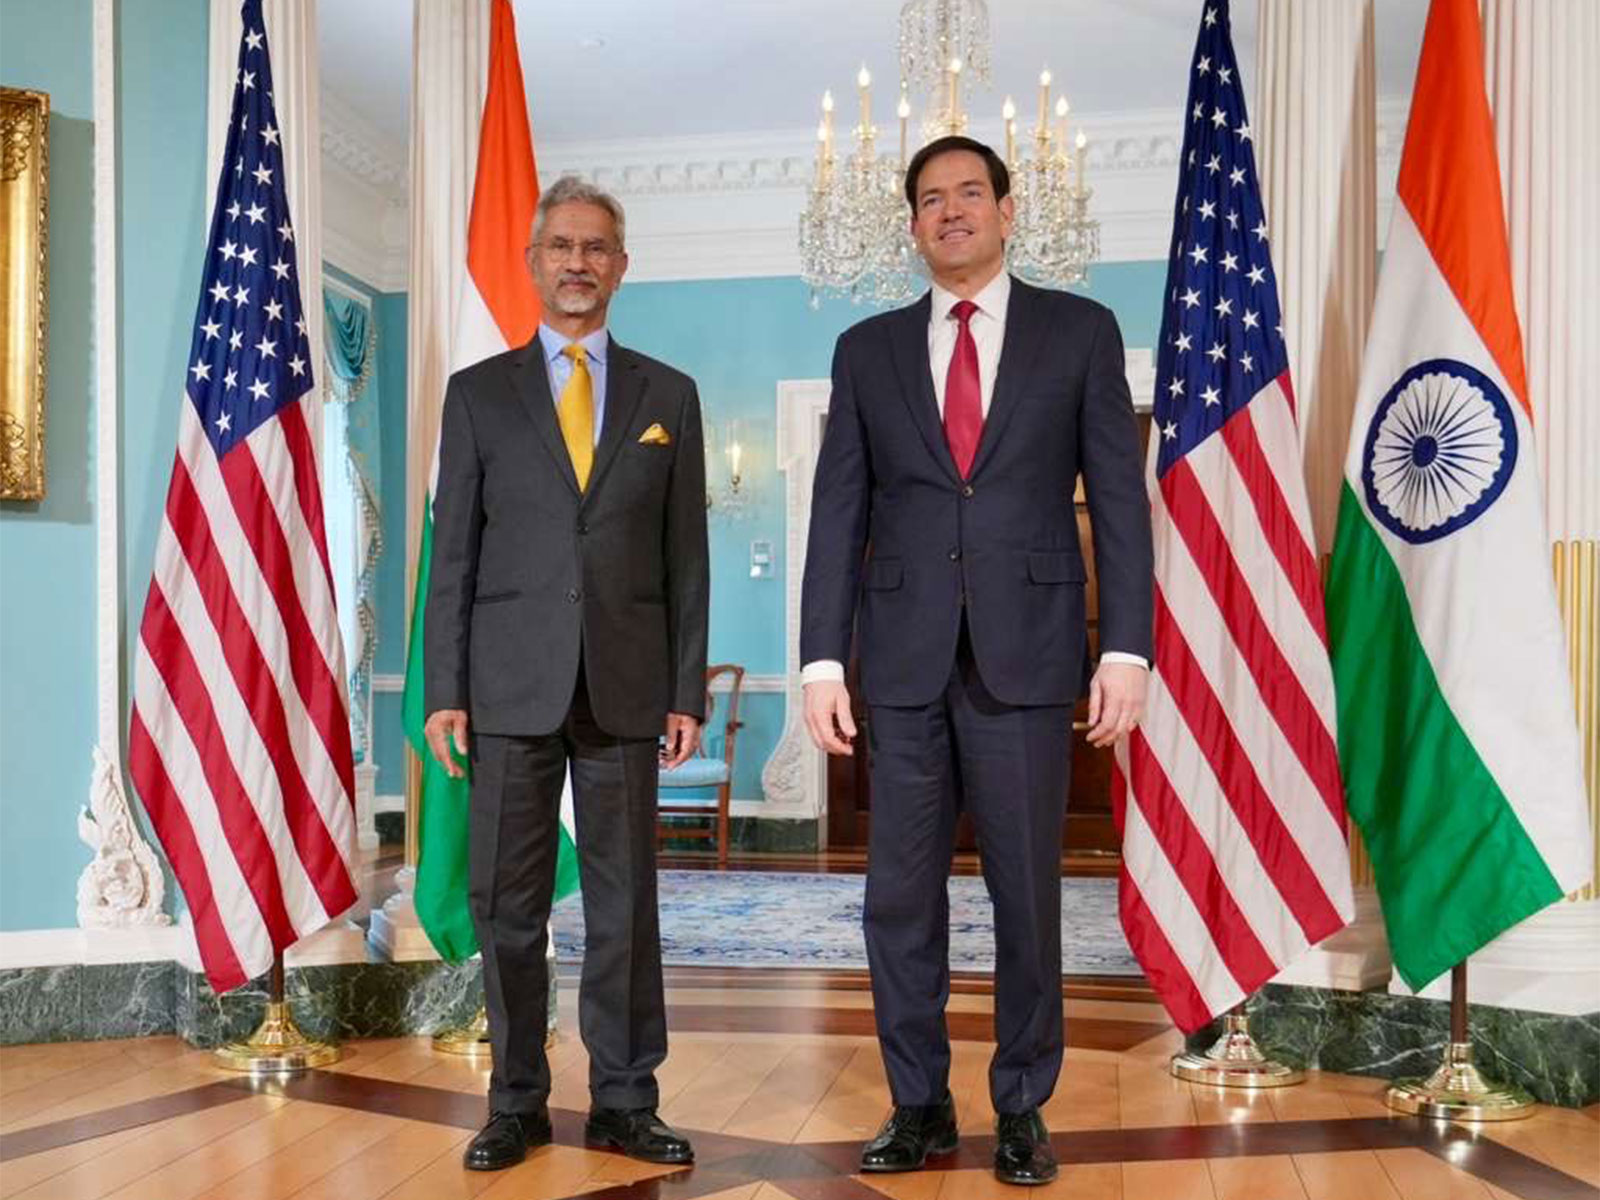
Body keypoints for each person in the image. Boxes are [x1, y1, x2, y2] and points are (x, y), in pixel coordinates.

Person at [800, 136, 1153, 1186]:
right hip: (899, 668)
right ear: (910, 225)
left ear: (1007, 209)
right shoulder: (865, 351)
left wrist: (1124, 645)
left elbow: (1119, 502)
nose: (949, 212)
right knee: (898, 900)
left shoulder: (1079, 333)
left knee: (1024, 895)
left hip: (1032, 661)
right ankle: (918, 1105)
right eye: (928, 200)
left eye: (967, 194)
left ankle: (1020, 1110)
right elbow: (837, 512)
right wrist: (821, 661)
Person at [424, 176, 709, 1173]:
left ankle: (628, 1099)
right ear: (535, 262)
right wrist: (443, 691)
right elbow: (451, 555)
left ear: (620, 268)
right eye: (562, 247)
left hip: (629, 689)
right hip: (507, 689)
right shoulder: (478, 394)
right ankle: (516, 1100)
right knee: (509, 903)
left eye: (597, 248)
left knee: (627, 901)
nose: (579, 262)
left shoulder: (668, 395)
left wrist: (686, 691)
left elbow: (686, 560)